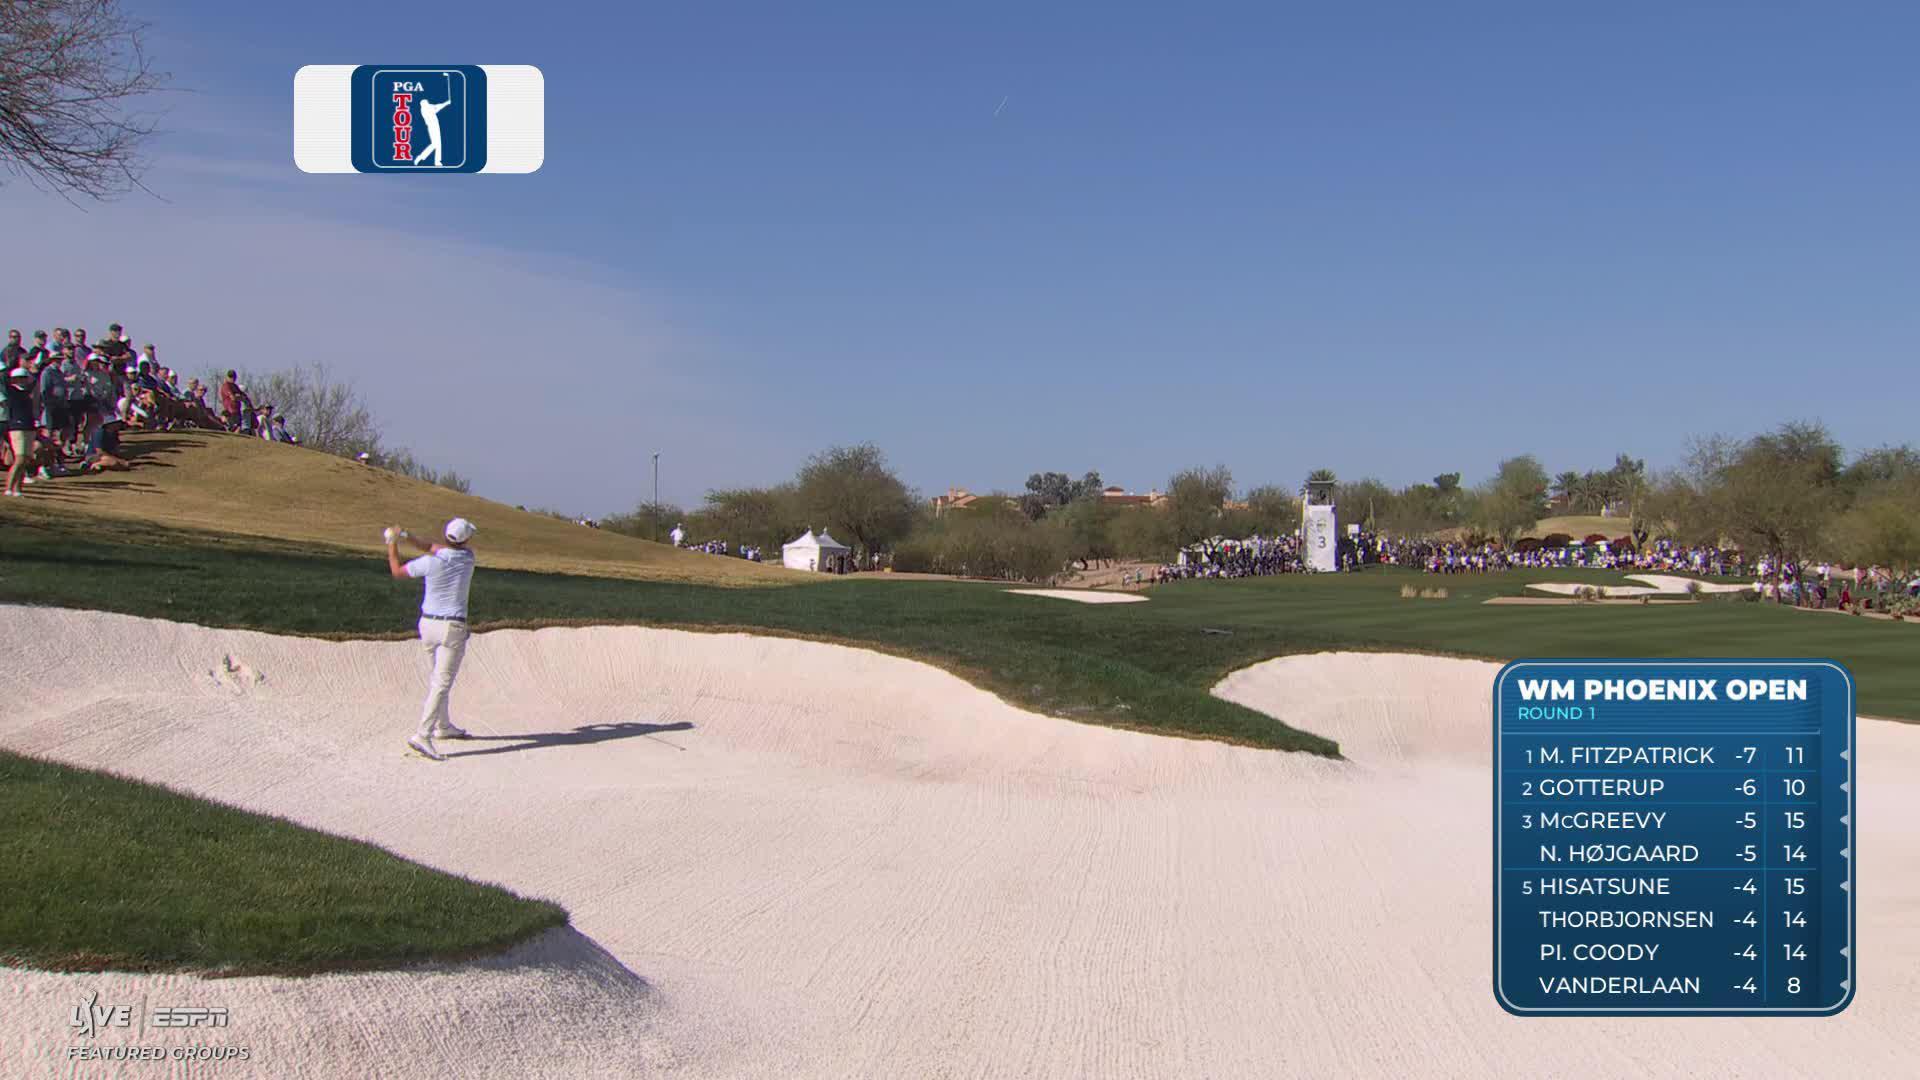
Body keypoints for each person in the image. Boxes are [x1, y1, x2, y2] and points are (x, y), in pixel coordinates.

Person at [387, 517, 479, 761]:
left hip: (427, 625)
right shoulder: (468, 558)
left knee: (437, 679)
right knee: (441, 683)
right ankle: (422, 735)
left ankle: (443, 726)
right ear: (465, 539)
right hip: (452, 628)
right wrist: (405, 534)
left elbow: (397, 571)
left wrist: (393, 543)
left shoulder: (429, 562)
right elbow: (432, 547)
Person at [3, 367, 37, 496]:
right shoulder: (11, 391)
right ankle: (9, 488)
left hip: (29, 427)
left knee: (26, 459)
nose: (23, 380)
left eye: (24, 378)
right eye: (20, 378)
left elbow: (35, 379)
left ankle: (18, 488)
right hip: (17, 427)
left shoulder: (27, 392)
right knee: (20, 458)